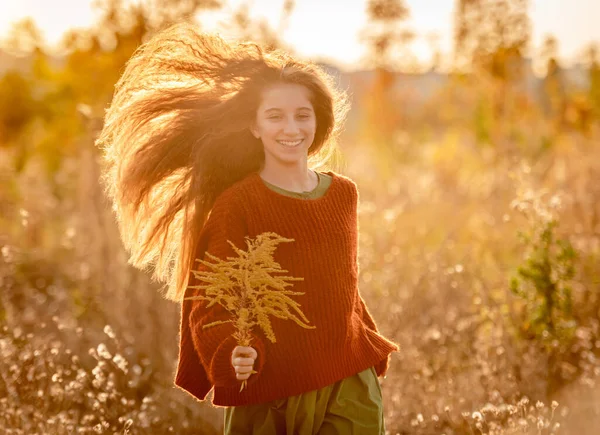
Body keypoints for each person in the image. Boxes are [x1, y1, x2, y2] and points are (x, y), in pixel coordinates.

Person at [96, 22, 399, 434]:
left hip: (348, 384)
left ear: (318, 121)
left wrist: (366, 341)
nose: (290, 129)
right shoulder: (239, 204)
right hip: (267, 389)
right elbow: (209, 297)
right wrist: (230, 353)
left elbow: (342, 283)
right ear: (254, 127)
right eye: (275, 116)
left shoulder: (343, 194)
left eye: (301, 115)